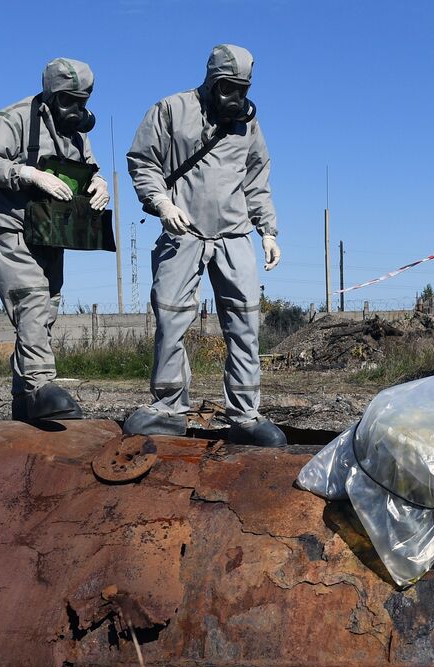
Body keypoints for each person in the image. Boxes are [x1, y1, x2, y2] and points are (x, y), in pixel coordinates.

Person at [124, 43, 285, 446]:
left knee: (245, 322)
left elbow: (256, 179)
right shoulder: (170, 110)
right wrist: (160, 202)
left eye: (243, 88)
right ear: (212, 81)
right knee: (172, 318)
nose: (236, 97)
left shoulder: (248, 124)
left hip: (234, 235)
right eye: (228, 87)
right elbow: (143, 161)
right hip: (184, 233)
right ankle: (168, 407)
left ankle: (245, 415)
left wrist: (268, 231)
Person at [0, 58, 109, 422]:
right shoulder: (14, 119)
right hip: (12, 227)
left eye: (83, 100)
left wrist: (99, 184)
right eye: (69, 100)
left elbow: (88, 168)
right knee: (30, 301)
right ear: (49, 95)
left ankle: (25, 402)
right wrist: (26, 173)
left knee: (46, 311)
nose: (77, 109)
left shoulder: (76, 133)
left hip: (51, 233)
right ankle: (42, 385)